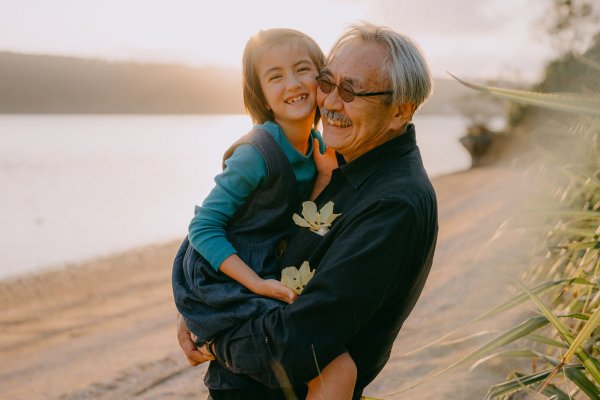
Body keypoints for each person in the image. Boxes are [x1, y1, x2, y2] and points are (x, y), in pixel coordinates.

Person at [176, 22, 438, 399]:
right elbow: (242, 226)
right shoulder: (332, 159)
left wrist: (214, 337)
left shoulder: (392, 205)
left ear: (400, 112)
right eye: (328, 82)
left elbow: (297, 345)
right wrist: (203, 298)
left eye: (351, 91)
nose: (331, 102)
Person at [172, 28, 357, 399]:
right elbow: (203, 227)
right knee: (330, 362)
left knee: (336, 366)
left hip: (258, 268)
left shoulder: (317, 147)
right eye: (275, 76)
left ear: (322, 79)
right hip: (224, 274)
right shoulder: (255, 154)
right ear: (261, 95)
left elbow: (298, 218)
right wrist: (250, 286)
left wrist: (322, 177)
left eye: (302, 69)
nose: (292, 83)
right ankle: (218, 346)